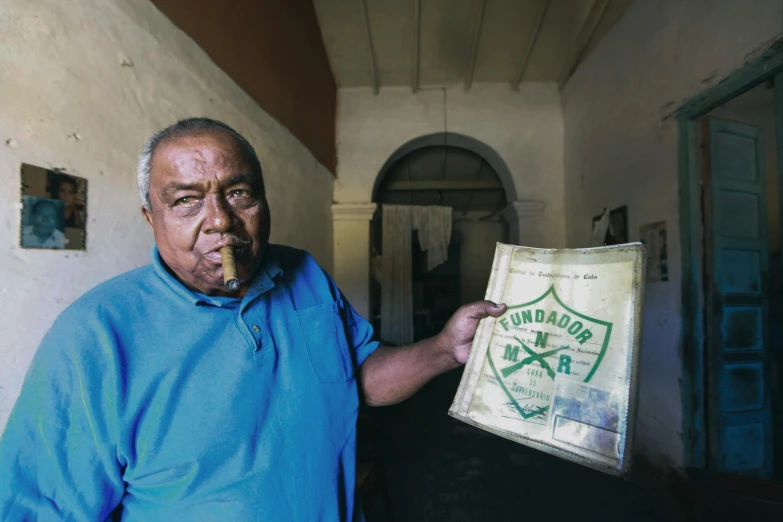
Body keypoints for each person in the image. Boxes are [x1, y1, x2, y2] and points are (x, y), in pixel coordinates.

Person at [0, 118, 505, 521]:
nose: (220, 220)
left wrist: (444, 349)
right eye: (186, 200)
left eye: (239, 193)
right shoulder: (94, 336)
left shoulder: (304, 275)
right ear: (150, 217)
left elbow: (358, 377)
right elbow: (38, 508)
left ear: (264, 200)